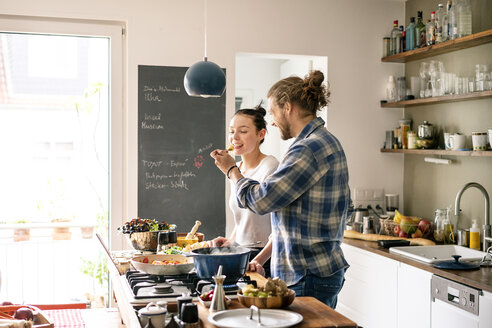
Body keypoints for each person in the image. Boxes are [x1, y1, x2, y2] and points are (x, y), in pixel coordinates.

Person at [210, 70, 351, 308]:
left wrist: (231, 170)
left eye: (273, 113)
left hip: (307, 273)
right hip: (315, 269)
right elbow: (295, 216)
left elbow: (261, 201)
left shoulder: (307, 149)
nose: (272, 121)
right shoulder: (326, 141)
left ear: (288, 107)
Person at [212, 105, 279, 277]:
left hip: (263, 257)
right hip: (239, 252)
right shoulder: (235, 169)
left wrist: (259, 259)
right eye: (231, 131)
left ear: (261, 134)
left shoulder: (270, 166)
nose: (234, 137)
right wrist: (230, 241)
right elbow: (243, 218)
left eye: (242, 131)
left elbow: (281, 225)